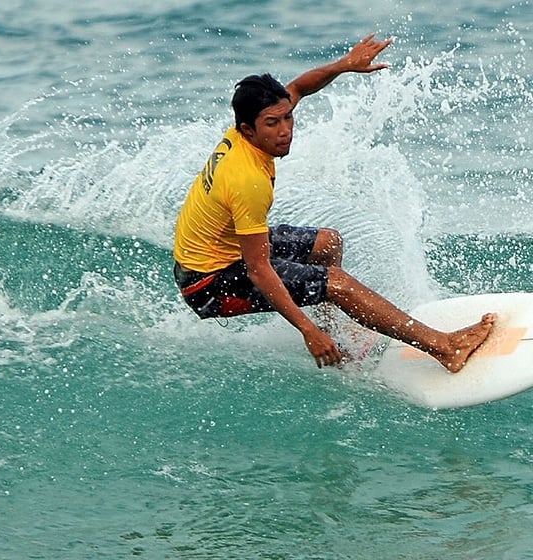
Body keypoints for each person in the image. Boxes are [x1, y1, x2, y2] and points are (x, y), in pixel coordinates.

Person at [173, 33, 496, 372]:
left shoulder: (251, 126)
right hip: (208, 282)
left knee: (328, 243)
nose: (286, 130)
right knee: (337, 284)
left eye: (288, 118)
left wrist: (344, 66)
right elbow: (258, 269)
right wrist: (306, 330)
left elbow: (298, 87)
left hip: (222, 249)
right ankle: (445, 348)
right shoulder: (246, 178)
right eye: (274, 123)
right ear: (247, 130)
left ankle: (337, 332)